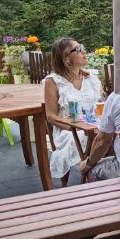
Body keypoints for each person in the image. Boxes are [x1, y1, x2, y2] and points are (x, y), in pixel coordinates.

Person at [43, 37, 102, 184]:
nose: (84, 51)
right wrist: (76, 127)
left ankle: (97, 170)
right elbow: (51, 117)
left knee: (108, 133)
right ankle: (91, 170)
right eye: (78, 49)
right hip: (68, 130)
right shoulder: (53, 81)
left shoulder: (92, 78)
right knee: (92, 136)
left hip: (94, 125)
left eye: (82, 47)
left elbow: (100, 106)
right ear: (66, 58)